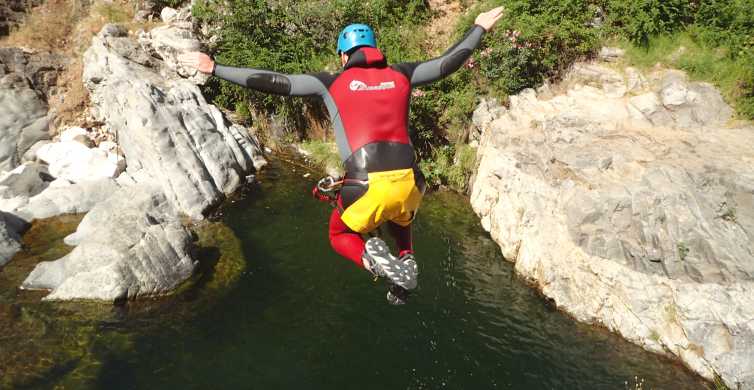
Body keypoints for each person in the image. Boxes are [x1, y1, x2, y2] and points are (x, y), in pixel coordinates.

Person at [179, 7, 505, 305]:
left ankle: (373, 260)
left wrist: (216, 68)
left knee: (340, 234)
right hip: (411, 182)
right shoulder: (403, 74)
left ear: (342, 55)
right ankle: (405, 259)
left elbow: (276, 81)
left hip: (365, 183)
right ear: (373, 48)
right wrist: (478, 27)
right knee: (399, 213)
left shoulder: (331, 82)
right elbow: (448, 63)